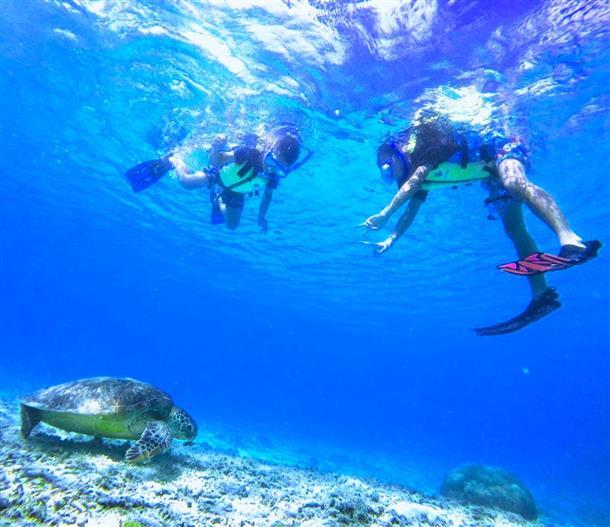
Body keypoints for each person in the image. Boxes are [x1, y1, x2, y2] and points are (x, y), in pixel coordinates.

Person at [361, 113, 601, 335]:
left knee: (515, 182)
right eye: (384, 172)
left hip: (500, 148)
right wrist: (391, 238)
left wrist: (385, 213)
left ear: (398, 150)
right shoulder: (414, 171)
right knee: (514, 228)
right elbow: (410, 211)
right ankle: (541, 294)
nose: (389, 173)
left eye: (387, 165)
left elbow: (413, 183)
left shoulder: (425, 147)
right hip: (491, 173)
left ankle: (570, 239)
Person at [124, 125, 312, 232]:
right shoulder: (248, 154)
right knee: (186, 183)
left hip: (236, 193)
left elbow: (267, 197)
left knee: (232, 225)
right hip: (219, 176)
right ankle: (175, 160)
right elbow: (217, 160)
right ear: (268, 151)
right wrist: (216, 149)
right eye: (271, 160)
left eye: (279, 168)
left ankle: (218, 199)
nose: (271, 168)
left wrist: (262, 217)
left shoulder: (272, 178)